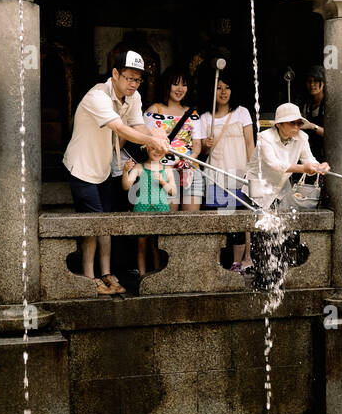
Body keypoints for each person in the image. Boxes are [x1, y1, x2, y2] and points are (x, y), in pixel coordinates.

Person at [62, 48, 169, 293]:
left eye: (138, 79)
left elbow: (138, 125)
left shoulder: (134, 97)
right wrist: (151, 141)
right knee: (95, 222)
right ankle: (90, 278)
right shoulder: (96, 96)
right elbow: (120, 129)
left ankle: (107, 273)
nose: (133, 84)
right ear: (115, 74)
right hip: (82, 167)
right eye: (129, 78)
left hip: (104, 167)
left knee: (106, 221)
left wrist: (156, 135)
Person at [245, 102, 330, 292]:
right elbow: (274, 164)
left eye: (298, 123)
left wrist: (319, 166)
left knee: (282, 227)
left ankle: (277, 273)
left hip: (281, 186)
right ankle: (262, 275)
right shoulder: (264, 137)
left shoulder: (302, 137)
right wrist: (303, 168)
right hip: (259, 186)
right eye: (291, 123)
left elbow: (309, 160)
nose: (296, 127)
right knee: (262, 229)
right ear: (279, 124)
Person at [198, 73, 255, 271]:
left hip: (239, 173)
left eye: (227, 87)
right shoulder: (205, 117)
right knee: (219, 219)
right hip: (217, 173)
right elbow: (202, 151)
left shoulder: (242, 112)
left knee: (239, 218)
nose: (223, 92)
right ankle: (216, 263)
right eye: (219, 87)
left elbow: (250, 143)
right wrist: (206, 144)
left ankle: (237, 263)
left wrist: (252, 172)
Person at [141, 67, 203, 212]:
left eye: (184, 85)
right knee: (169, 220)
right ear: (167, 85)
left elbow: (197, 146)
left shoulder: (193, 113)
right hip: (163, 171)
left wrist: (187, 160)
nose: (180, 89)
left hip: (190, 170)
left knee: (192, 222)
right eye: (175, 84)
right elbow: (145, 142)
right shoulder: (154, 111)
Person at [122, 156, 176, 273]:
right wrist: (125, 171)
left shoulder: (167, 169)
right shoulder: (139, 167)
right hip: (142, 208)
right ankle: (142, 276)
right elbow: (126, 186)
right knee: (141, 245)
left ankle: (156, 276)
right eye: (152, 147)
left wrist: (162, 181)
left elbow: (173, 191)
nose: (155, 151)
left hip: (161, 210)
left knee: (156, 246)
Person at [301, 65, 326, 163]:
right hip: (311, 152)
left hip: (326, 152)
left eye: (316, 81)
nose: (312, 85)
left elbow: (333, 136)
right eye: (309, 81)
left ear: (323, 83)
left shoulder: (329, 105)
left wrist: (312, 126)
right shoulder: (307, 105)